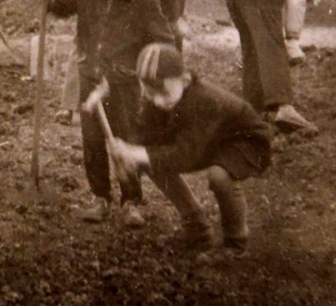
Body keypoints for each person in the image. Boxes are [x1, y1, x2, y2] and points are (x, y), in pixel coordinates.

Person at [42, 0, 176, 226]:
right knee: (92, 141)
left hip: (124, 86)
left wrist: (136, 69)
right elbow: (66, 4)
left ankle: (131, 201)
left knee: (126, 140)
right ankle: (100, 198)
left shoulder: (145, 3)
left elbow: (165, 43)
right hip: (90, 79)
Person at [113, 43, 273, 254]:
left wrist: (137, 153)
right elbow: (144, 138)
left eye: (164, 92)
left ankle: (235, 242)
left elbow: (185, 156)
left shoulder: (204, 101)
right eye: (151, 93)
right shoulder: (159, 100)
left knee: (219, 176)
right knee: (150, 157)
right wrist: (128, 157)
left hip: (244, 141)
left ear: (185, 80)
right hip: (208, 140)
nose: (158, 100)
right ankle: (196, 226)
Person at [224, 0, 319, 133]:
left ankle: (253, 109)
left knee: (252, 48)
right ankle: (283, 107)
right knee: (272, 45)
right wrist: (292, 38)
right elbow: (296, 2)